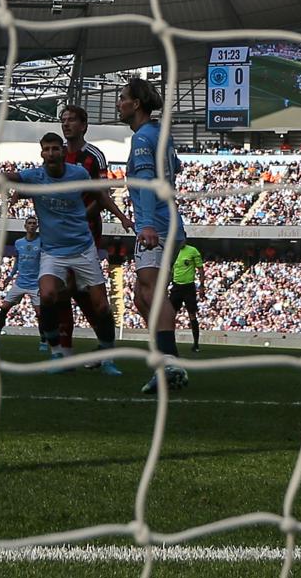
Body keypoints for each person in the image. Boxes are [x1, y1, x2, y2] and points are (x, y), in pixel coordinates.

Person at [2, 132, 132, 376]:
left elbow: (100, 194)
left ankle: (108, 357)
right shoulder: (34, 176)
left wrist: (122, 216)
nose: (51, 153)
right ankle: (56, 353)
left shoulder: (79, 173)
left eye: (55, 149)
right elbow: (4, 177)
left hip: (83, 248)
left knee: (102, 306)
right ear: (42, 153)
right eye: (46, 149)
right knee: (48, 294)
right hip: (53, 251)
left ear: (62, 151)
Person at [119, 78, 186, 394]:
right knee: (141, 296)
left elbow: (146, 183)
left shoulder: (143, 139)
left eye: (123, 99)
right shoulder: (161, 135)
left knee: (152, 291)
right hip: (170, 223)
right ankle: (167, 359)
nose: (119, 104)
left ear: (136, 104)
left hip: (155, 225)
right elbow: (177, 166)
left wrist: (145, 225)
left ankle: (169, 364)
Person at [52, 103, 111, 355]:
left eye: (72, 119)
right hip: (58, 233)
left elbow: (103, 196)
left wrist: (78, 218)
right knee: (63, 287)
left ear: (84, 125)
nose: (66, 123)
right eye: (63, 119)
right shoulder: (56, 154)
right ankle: (65, 348)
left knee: (82, 288)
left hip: (86, 231)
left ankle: (105, 344)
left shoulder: (94, 156)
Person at [0, 216, 43, 346]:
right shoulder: (19, 243)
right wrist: (10, 276)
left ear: (37, 227)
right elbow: (17, 262)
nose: (31, 225)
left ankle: (43, 340)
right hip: (20, 282)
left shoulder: (42, 242)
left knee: (40, 314)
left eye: (34, 223)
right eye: (29, 223)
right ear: (25, 226)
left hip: (35, 284)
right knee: (4, 308)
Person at [169, 240, 204, 354]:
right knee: (170, 316)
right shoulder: (172, 252)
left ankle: (196, 344)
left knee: (192, 315)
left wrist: (202, 286)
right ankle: (169, 343)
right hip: (176, 287)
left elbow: (200, 269)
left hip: (189, 287)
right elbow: (170, 270)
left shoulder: (192, 251)